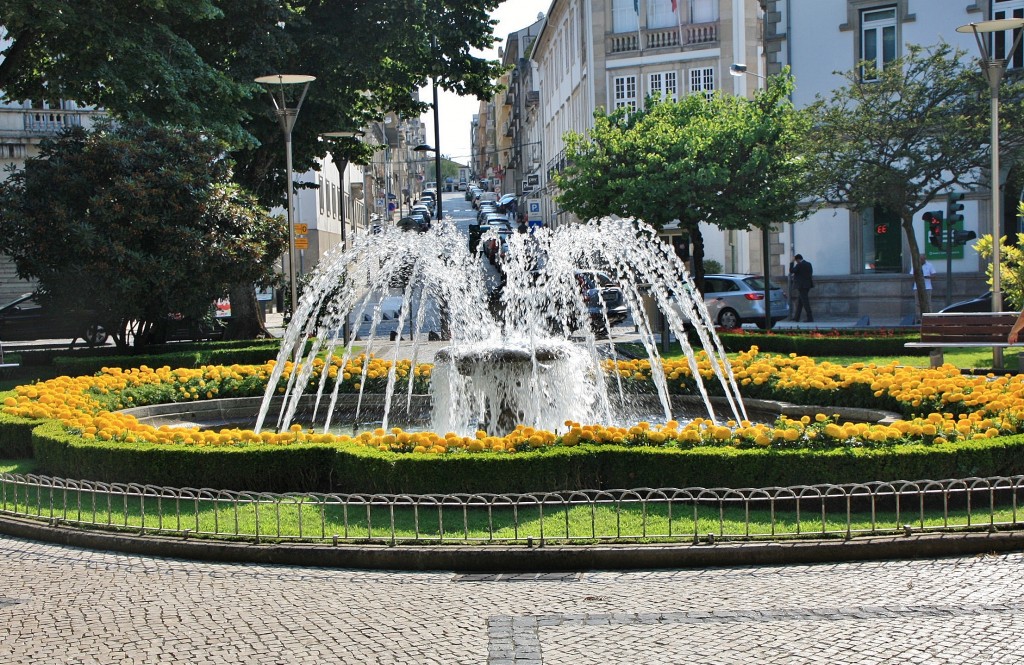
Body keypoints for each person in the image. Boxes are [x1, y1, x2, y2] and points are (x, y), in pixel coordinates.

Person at [789, 254, 814, 322]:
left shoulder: (799, 264)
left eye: (796, 261)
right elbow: (810, 273)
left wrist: (791, 262)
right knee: (800, 302)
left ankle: (810, 318)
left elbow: (791, 270)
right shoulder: (809, 264)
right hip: (808, 285)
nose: (796, 262)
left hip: (801, 286)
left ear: (797, 259)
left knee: (805, 302)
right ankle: (797, 317)